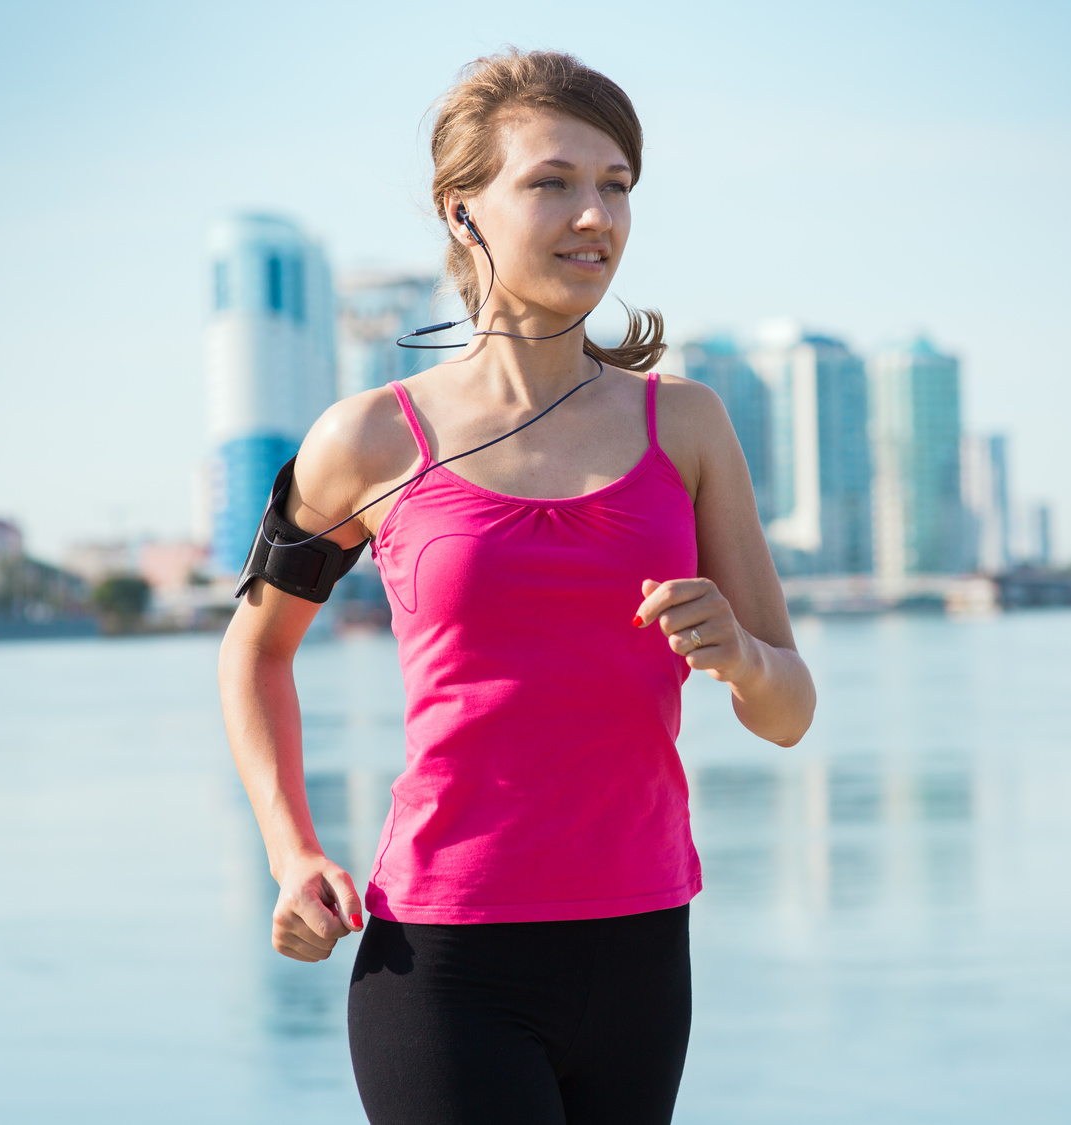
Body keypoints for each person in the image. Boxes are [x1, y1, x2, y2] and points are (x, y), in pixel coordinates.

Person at [218, 48, 816, 1125]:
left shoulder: (683, 425)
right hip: (444, 963)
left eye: (616, 185)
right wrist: (292, 847)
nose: (594, 214)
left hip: (642, 948)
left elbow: (788, 711)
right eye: (552, 182)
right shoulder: (366, 439)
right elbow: (254, 649)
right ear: (464, 213)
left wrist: (736, 652)